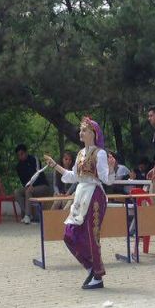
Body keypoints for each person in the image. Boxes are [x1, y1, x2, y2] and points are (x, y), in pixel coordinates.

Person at [45, 117, 111, 290]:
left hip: (95, 195)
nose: (81, 133)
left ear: (93, 134)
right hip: (81, 195)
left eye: (84, 130)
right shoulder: (80, 154)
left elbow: (106, 179)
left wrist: (111, 168)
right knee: (69, 234)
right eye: (81, 130)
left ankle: (97, 275)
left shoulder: (100, 153)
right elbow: (72, 176)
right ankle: (91, 268)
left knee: (92, 235)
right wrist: (55, 166)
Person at [13, 144, 52, 225]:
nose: (21, 156)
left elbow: (38, 173)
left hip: (42, 186)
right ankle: (27, 214)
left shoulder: (34, 160)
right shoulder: (18, 166)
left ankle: (27, 215)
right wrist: (28, 186)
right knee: (17, 192)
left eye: (22, 154)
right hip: (29, 186)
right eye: (19, 155)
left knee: (28, 192)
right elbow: (23, 181)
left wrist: (32, 186)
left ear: (26, 153)